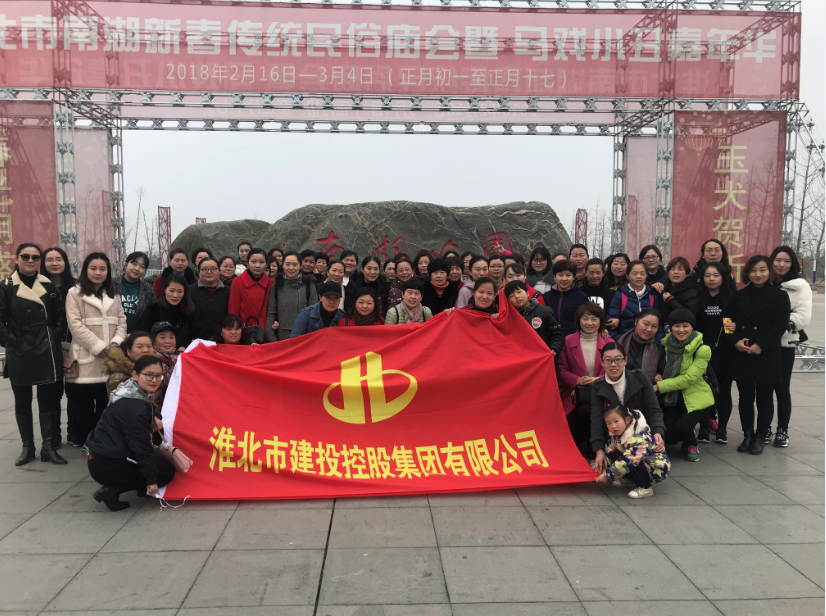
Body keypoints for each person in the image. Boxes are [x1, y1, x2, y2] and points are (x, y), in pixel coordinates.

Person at [0, 243, 67, 465]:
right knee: (22, 399)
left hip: (46, 348)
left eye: (35, 257)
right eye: (25, 256)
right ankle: (27, 447)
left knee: (48, 398)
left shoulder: (49, 286)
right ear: (17, 259)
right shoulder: (6, 287)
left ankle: (48, 447)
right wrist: (14, 341)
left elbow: (60, 317)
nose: (30, 260)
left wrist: (53, 336)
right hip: (19, 349)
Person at [86, 355, 175, 511]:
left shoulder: (128, 391)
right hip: (107, 464)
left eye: (158, 376)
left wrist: (155, 418)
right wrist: (151, 481)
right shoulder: (134, 407)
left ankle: (139, 486)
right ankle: (111, 491)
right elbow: (141, 446)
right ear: (135, 375)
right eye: (149, 375)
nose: (154, 380)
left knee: (158, 463)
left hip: (104, 454)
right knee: (166, 472)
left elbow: (150, 410)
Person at [723, 255, 791, 455]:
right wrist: (734, 341)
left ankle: (761, 436)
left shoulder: (780, 296)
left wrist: (761, 344)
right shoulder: (738, 296)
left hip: (767, 353)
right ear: (747, 273)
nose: (758, 274)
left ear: (769, 271)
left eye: (762, 270)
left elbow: (780, 325)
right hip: (742, 352)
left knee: (764, 397)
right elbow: (726, 321)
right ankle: (747, 435)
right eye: (753, 270)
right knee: (745, 397)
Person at [65, 252, 127, 447]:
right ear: (86, 270)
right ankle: (83, 440)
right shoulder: (74, 293)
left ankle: (102, 440)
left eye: (102, 269)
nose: (98, 272)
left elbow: (122, 322)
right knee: (83, 404)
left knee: (105, 402)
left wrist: (115, 343)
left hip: (110, 359)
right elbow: (75, 325)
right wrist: (98, 346)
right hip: (85, 358)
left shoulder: (114, 295)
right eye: (93, 268)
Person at [591, 343, 666, 473]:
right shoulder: (598, 385)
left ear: (625, 360)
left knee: (649, 467)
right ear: (602, 362)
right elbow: (596, 418)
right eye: (608, 360)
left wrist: (658, 432)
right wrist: (599, 450)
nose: (613, 364)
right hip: (614, 437)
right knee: (605, 467)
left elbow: (654, 409)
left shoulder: (639, 377)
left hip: (640, 434)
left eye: (618, 359)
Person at [653, 309, 715, 462]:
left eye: (685, 326)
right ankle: (687, 433)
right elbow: (661, 366)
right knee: (669, 436)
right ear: (671, 327)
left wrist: (659, 386)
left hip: (696, 396)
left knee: (682, 427)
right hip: (672, 397)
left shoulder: (702, 349)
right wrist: (657, 374)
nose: (681, 330)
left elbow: (689, 378)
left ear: (692, 327)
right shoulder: (665, 345)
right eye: (677, 326)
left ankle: (691, 443)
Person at [768, 246, 812, 448]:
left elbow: (802, 317)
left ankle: (782, 430)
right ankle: (764, 428)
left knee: (781, 388)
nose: (781, 264)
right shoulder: (765, 283)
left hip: (784, 344)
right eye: (778, 260)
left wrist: (774, 327)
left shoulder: (800, 286)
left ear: (793, 264)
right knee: (764, 389)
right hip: (763, 345)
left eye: (786, 261)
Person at [558, 303, 610, 456]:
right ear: (578, 320)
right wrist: (577, 380)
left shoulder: (609, 343)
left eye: (594, 319)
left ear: (600, 321)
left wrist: (598, 380)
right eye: (585, 318)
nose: (589, 323)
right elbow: (562, 369)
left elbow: (616, 371)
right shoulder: (568, 341)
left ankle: (594, 448)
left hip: (601, 394)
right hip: (574, 395)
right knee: (572, 423)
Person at [40, 245, 76, 447]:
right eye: (49, 260)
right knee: (50, 393)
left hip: (73, 346)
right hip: (46, 347)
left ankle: (74, 433)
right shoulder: (37, 286)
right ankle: (52, 438)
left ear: (65, 262)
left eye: (59, 259)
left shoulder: (76, 286)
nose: (54, 263)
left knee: (74, 392)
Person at [696, 262, 735, 444]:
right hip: (701, 352)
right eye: (707, 276)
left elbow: (733, 325)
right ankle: (703, 427)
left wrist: (734, 327)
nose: (711, 279)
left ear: (723, 278)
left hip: (725, 351)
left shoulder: (731, 299)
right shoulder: (697, 298)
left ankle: (722, 429)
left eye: (716, 275)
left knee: (724, 391)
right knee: (703, 390)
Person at [595, 406, 670, 500]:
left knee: (630, 462)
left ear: (627, 420)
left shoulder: (639, 438)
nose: (613, 426)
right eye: (608, 423)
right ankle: (630, 479)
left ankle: (645, 487)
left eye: (616, 421)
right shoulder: (618, 433)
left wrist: (608, 474)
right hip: (639, 461)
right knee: (614, 454)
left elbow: (629, 460)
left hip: (655, 468)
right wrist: (604, 465)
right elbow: (610, 448)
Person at [266, 251, 318, 341]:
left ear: (300, 266)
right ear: (282, 265)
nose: (291, 268)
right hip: (282, 338)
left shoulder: (308, 284)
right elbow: (271, 313)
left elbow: (314, 313)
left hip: (304, 337)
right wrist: (272, 339)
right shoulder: (277, 285)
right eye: (287, 264)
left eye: (295, 264)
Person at [135, 274, 194, 351]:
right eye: (171, 291)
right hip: (155, 352)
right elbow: (140, 332)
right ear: (165, 290)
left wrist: (184, 346)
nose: (175, 295)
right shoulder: (153, 309)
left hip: (182, 353)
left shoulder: (188, 312)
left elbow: (194, 335)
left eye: (180, 292)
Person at [607, 260, 662, 339]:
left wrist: (658, 342)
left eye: (642, 273)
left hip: (648, 340)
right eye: (634, 273)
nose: (638, 276)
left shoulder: (652, 295)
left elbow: (657, 321)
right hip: (625, 340)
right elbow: (611, 322)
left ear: (646, 275)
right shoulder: (620, 295)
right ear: (627, 276)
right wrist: (614, 342)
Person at [505, 280, 563, 354]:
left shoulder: (545, 311)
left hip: (543, 355)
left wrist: (554, 348)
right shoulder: (510, 317)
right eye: (511, 296)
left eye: (519, 292)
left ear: (527, 293)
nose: (517, 296)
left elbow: (557, 334)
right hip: (522, 356)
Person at [229, 248, 273, 337]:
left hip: (266, 332)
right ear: (247, 263)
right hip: (245, 331)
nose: (257, 265)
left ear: (266, 264)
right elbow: (233, 310)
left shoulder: (270, 283)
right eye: (253, 262)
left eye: (261, 262)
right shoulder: (237, 282)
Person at [542, 259, 589, 336]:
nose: (564, 279)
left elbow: (587, 318)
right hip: (551, 339)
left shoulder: (581, 297)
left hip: (573, 339)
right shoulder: (546, 296)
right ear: (555, 277)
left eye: (568, 275)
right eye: (560, 275)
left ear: (573, 277)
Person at [616, 309, 664, 384]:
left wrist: (657, 375)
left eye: (654, 326)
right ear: (636, 322)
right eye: (646, 324)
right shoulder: (619, 341)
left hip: (645, 389)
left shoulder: (659, 348)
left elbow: (661, 371)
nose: (649, 329)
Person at [112, 252, 154, 334]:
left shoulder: (147, 289)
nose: (137, 269)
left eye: (142, 267)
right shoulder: (111, 284)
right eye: (134, 264)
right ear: (126, 265)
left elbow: (153, 314)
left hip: (136, 336)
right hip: (112, 335)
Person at [189, 257, 230, 342]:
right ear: (198, 272)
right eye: (204, 269)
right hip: (196, 340)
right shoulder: (189, 291)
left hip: (222, 340)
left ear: (219, 271)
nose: (209, 272)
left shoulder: (228, 291)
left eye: (213, 269)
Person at [102, 330, 155, 397]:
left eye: (149, 346)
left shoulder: (160, 368)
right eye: (140, 347)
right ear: (129, 351)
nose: (145, 350)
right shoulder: (119, 376)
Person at [150, 321, 179, 408]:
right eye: (162, 337)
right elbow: (164, 382)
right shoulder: (151, 358)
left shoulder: (177, 356)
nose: (168, 341)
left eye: (171, 337)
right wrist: (178, 364)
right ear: (153, 341)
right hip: (157, 407)